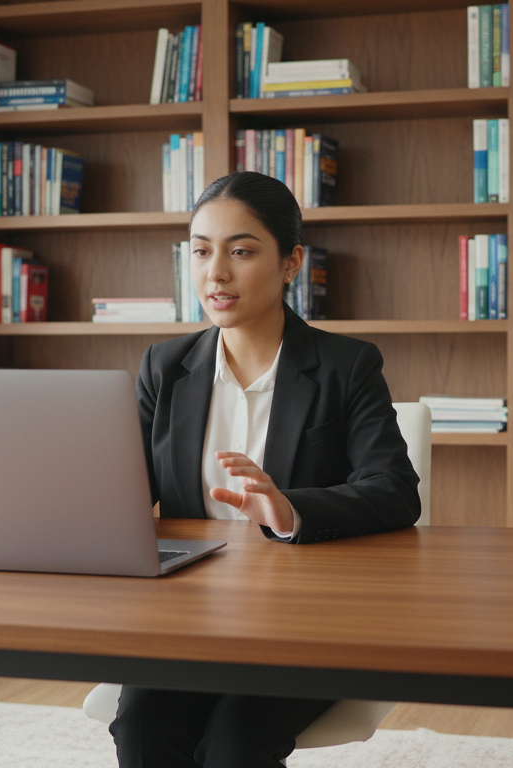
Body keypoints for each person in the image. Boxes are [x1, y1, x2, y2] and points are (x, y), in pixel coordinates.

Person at [110, 171, 422, 768]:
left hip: (305, 621)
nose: (215, 273)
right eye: (201, 251)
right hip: (188, 617)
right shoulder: (163, 367)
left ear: (291, 263)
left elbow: (394, 491)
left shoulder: (346, 366)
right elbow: (123, 494)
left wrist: (292, 508)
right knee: (144, 729)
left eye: (241, 251)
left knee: (234, 743)